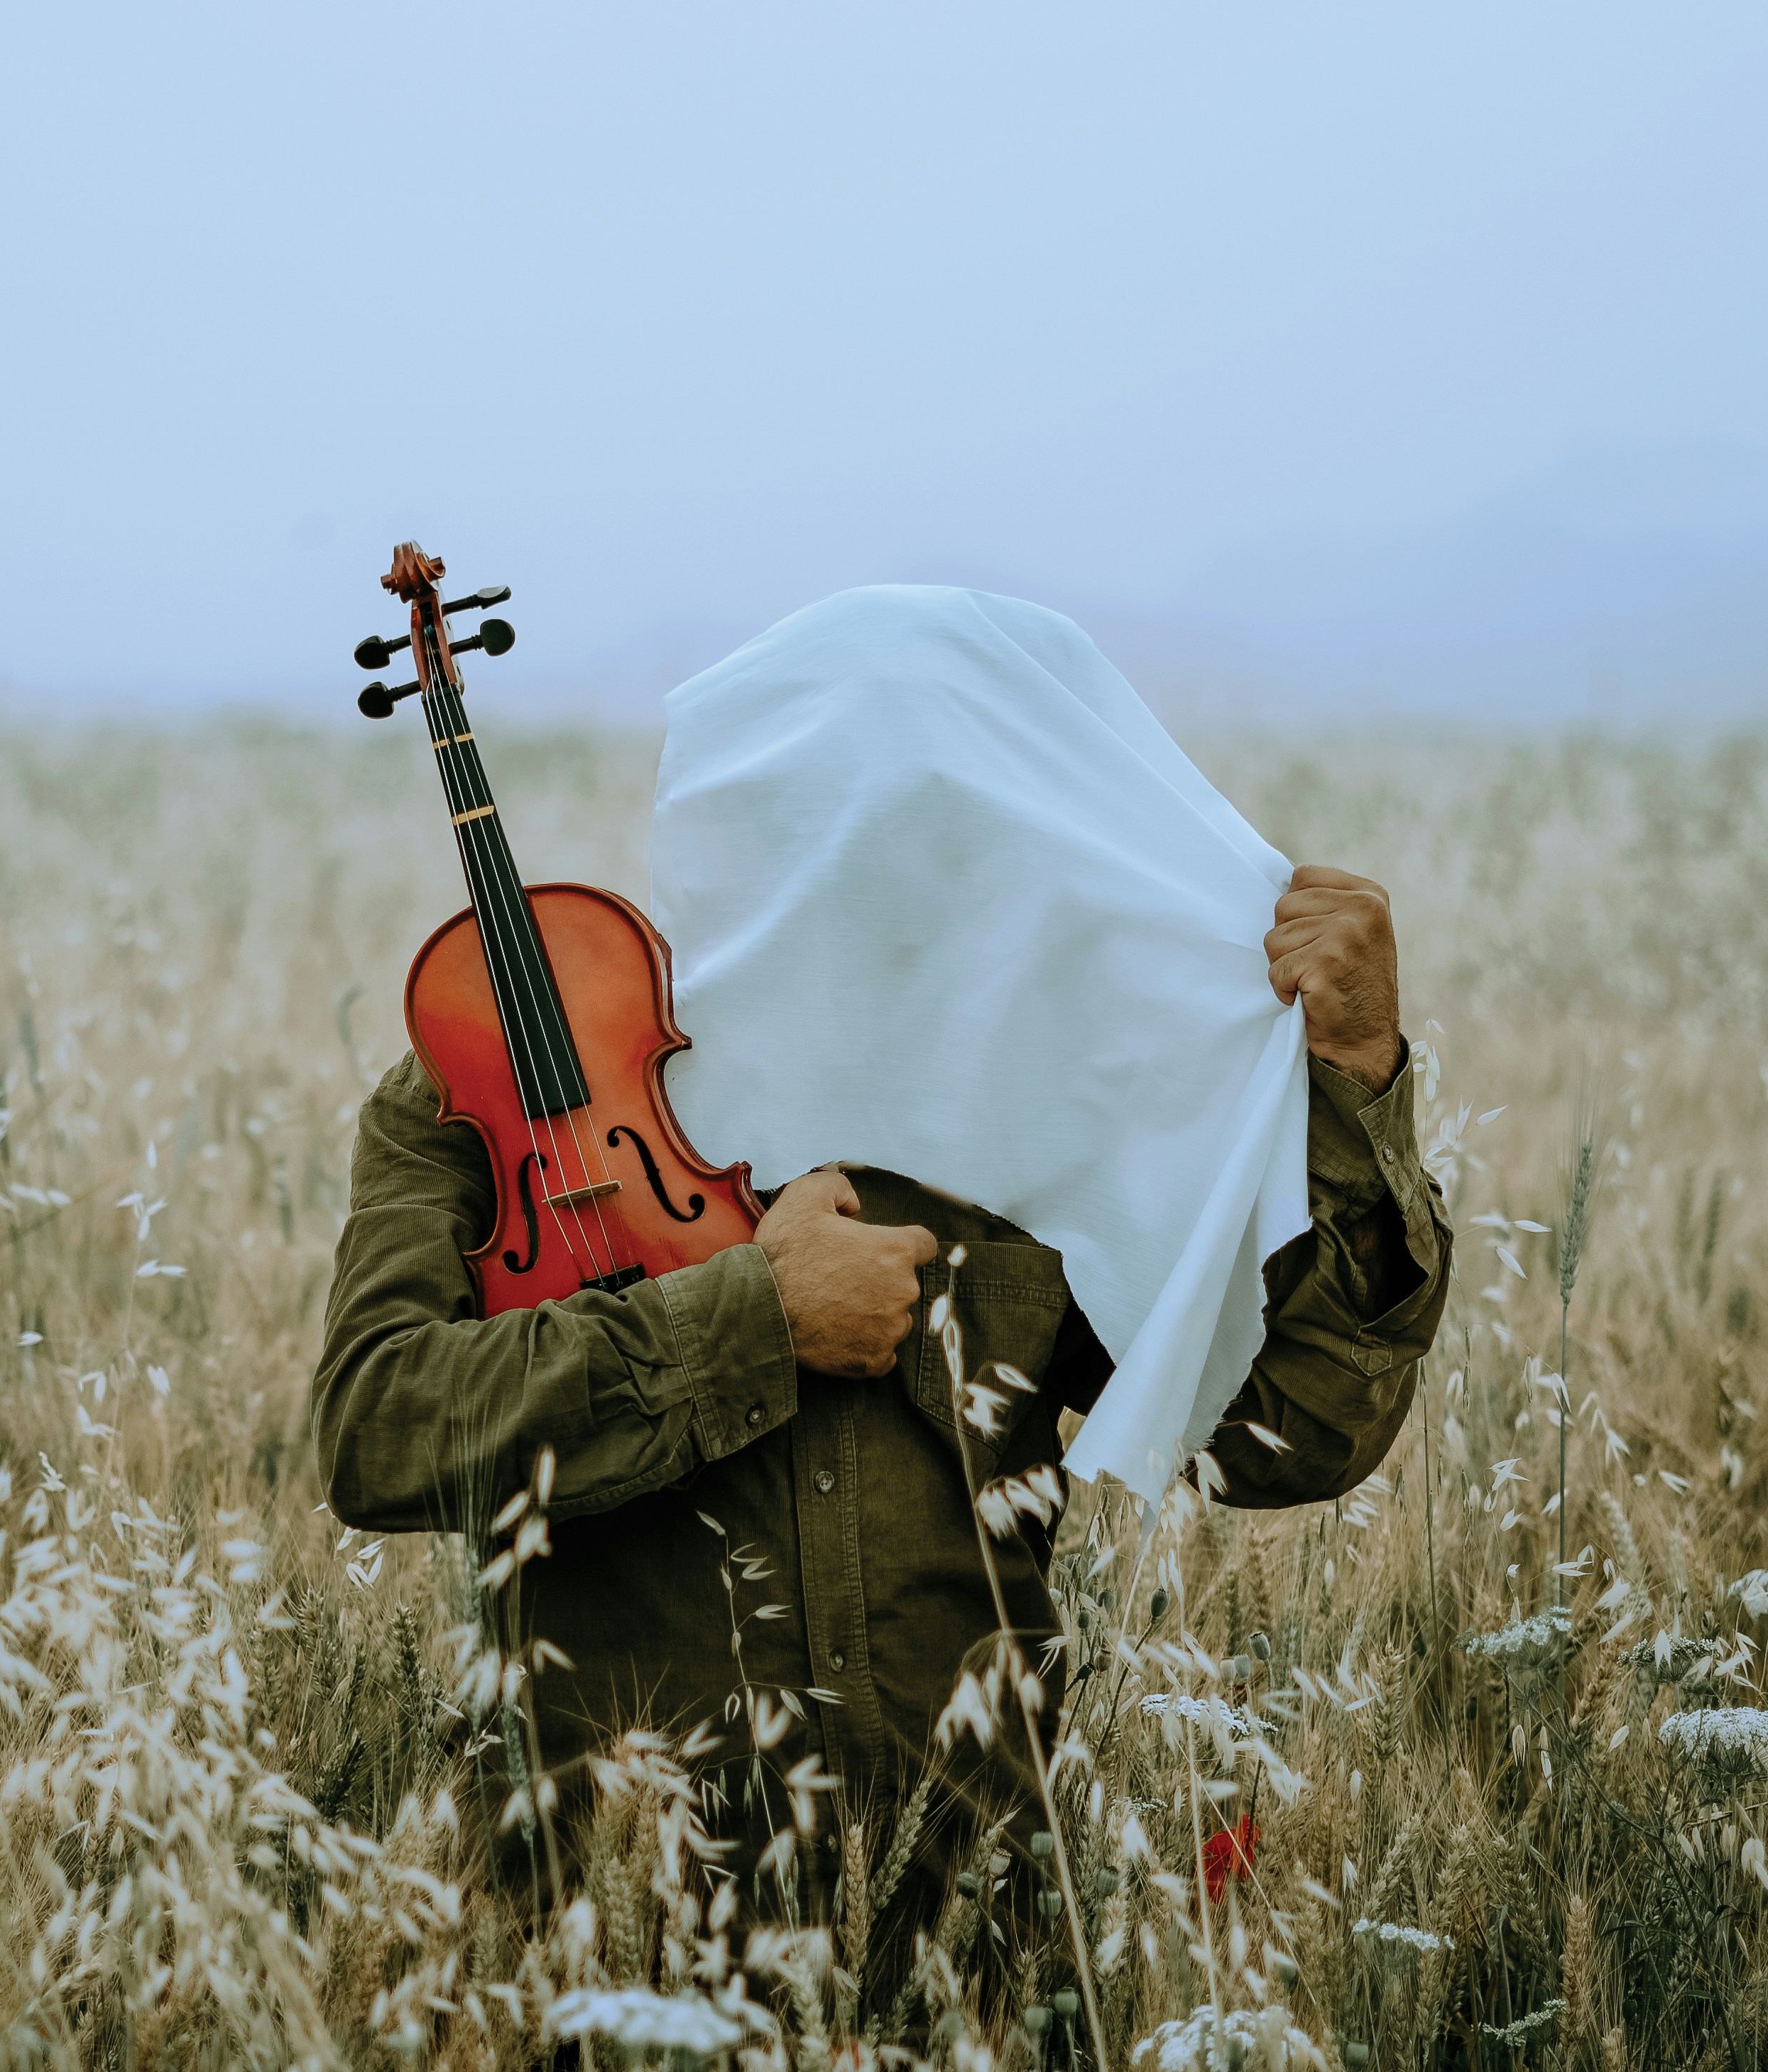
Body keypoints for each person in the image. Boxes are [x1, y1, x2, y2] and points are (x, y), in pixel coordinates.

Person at [310, 593, 1450, 1882]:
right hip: (610, 1937)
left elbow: (1280, 1441)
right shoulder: (514, 1078)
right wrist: (753, 1320)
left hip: (960, 1947)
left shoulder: (1048, 1101)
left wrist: (1356, 1080)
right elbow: (376, 1431)